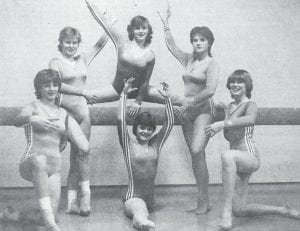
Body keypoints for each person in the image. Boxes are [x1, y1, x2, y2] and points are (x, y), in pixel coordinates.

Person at [204, 70, 300, 230]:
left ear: (247, 86)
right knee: (240, 209)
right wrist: (224, 109)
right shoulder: (231, 107)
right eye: (232, 82)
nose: (234, 85)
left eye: (239, 82)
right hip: (237, 160)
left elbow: (250, 119)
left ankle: (226, 213)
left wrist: (222, 123)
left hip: (249, 157)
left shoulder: (250, 104)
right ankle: (283, 210)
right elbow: (230, 127)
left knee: (227, 156)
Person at [0, 69, 89, 231]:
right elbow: (16, 121)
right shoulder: (32, 106)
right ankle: (50, 224)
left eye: (55, 85)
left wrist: (76, 140)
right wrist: (31, 118)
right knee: (40, 160)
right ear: (39, 88)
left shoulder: (63, 113)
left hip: (53, 167)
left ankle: (12, 215)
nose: (52, 89)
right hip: (32, 160)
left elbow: (78, 144)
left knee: (50, 215)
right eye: (47, 85)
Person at [158, 4, 219, 214]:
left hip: (203, 110)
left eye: (202, 39)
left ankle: (204, 200)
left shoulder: (212, 64)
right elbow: (172, 47)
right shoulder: (189, 58)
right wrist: (166, 25)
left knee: (196, 149)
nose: (198, 43)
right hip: (186, 112)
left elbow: (210, 90)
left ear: (209, 42)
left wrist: (187, 103)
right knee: (196, 157)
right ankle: (203, 200)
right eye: (195, 40)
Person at [49, 26, 108, 216]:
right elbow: (57, 85)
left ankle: (76, 201)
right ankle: (74, 199)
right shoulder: (55, 62)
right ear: (61, 43)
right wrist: (83, 92)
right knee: (70, 154)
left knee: (80, 156)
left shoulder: (82, 58)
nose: (71, 46)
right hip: (66, 114)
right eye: (67, 42)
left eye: (74, 42)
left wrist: (106, 22)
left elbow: (101, 43)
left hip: (83, 115)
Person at [84, 0, 166, 116]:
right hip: (116, 90)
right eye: (137, 28)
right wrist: (89, 3)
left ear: (149, 31)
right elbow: (103, 21)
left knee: (174, 99)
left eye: (144, 28)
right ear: (131, 30)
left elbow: (145, 82)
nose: (140, 31)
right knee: (82, 100)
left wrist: (138, 102)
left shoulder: (150, 55)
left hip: (140, 92)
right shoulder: (121, 42)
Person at [117, 78, 174, 230]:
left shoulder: (156, 143)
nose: (145, 131)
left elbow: (169, 124)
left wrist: (167, 99)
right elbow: (120, 120)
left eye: (149, 129)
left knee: (145, 207)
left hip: (151, 200)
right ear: (136, 128)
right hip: (133, 198)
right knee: (140, 208)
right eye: (142, 127)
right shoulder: (128, 144)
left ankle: (142, 218)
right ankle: (140, 222)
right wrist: (123, 95)